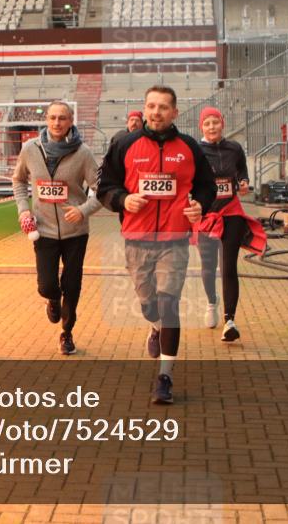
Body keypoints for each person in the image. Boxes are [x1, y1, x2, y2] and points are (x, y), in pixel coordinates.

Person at [98, 86, 216, 404]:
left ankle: (165, 377)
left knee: (169, 304)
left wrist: (199, 206)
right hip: (136, 239)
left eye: (163, 107)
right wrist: (123, 199)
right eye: (151, 106)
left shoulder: (189, 147)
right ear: (144, 108)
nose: (156, 112)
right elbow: (104, 187)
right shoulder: (124, 144)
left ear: (175, 112)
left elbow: (208, 187)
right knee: (149, 304)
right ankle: (153, 326)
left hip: (175, 241)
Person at [12, 101, 101, 355]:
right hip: (43, 230)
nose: (57, 123)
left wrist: (83, 210)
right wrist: (23, 208)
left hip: (76, 232)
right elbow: (18, 180)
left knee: (72, 285)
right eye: (52, 118)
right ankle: (52, 299)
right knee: (47, 285)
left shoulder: (83, 153)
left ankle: (67, 333)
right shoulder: (30, 149)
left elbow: (100, 188)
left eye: (62, 118)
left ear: (71, 120)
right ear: (46, 120)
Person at [192, 107, 266, 342]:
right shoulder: (196, 151)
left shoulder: (234, 148)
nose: (212, 127)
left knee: (228, 266)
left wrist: (243, 182)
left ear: (222, 124)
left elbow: (242, 170)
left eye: (216, 122)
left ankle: (229, 319)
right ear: (201, 127)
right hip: (206, 214)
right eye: (207, 123)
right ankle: (211, 302)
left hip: (231, 212)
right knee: (208, 265)